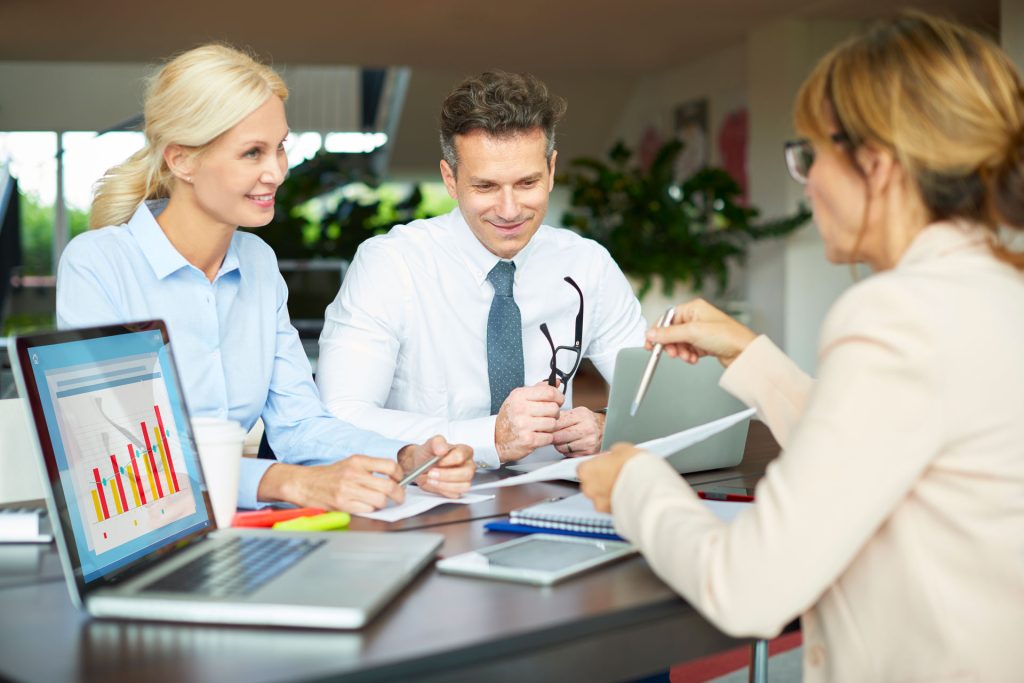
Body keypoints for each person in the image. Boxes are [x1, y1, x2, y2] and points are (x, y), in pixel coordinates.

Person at [579, 12, 1024, 681]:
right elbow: (888, 440)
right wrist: (747, 352)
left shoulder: (895, 313)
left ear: (875, 164)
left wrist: (636, 482)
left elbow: (750, 586)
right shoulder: (995, 290)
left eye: (810, 155)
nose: (805, 180)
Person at [56, 44, 475, 513]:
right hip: (140, 533)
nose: (276, 172)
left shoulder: (257, 263)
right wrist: (287, 483)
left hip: (237, 533)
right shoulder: (97, 265)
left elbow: (299, 423)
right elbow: (128, 454)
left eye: (279, 147)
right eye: (252, 153)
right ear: (181, 160)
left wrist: (402, 456)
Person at [316, 71, 646, 469]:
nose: (509, 211)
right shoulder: (390, 265)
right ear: (450, 180)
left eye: (527, 183)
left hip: (553, 496)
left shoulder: (587, 264)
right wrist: (489, 438)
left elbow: (652, 397)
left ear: (552, 170)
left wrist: (607, 426)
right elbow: (341, 416)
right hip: (428, 501)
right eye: (486, 187)